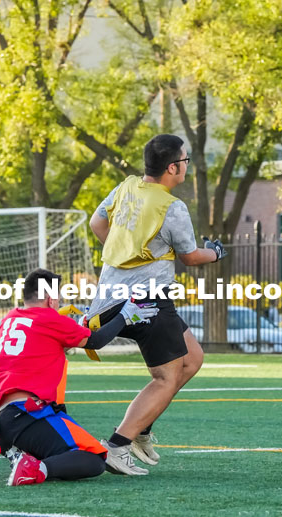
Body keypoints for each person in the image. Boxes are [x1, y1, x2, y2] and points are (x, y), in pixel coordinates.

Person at [87, 134, 226, 475]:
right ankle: (118, 447)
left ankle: (141, 429)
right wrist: (217, 252)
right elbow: (191, 257)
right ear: (173, 167)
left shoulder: (126, 187)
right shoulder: (172, 207)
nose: (186, 166)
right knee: (166, 377)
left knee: (192, 358)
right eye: (185, 161)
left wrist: (127, 252)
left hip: (109, 297)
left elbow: (96, 223)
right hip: (146, 300)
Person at [0, 269, 158, 486]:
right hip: (26, 416)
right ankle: (36, 467)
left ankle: (28, 460)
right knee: (94, 459)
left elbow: (40, 347)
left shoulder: (10, 319)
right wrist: (125, 316)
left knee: (69, 451)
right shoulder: (49, 318)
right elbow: (95, 341)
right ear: (50, 298)